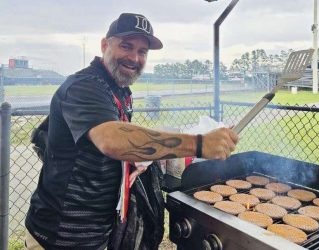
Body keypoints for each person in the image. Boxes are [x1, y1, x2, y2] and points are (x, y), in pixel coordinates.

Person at [24, 12, 239, 250]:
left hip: (99, 232)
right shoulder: (84, 86)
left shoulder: (119, 90)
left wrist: (134, 161)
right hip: (60, 237)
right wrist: (199, 143)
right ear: (105, 45)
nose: (134, 57)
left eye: (142, 51)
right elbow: (112, 139)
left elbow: (115, 145)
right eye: (126, 46)